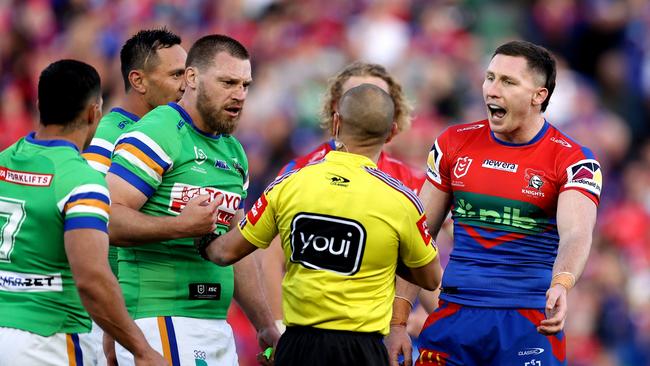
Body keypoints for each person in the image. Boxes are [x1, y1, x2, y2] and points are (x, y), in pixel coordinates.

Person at [389, 40, 602, 366]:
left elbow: (576, 233)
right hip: (455, 318)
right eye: (490, 77)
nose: (492, 89)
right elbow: (420, 235)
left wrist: (562, 283)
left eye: (508, 81)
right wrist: (398, 321)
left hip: (528, 321)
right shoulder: (453, 143)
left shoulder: (572, 159)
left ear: (538, 96)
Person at [197, 83, 443, 366]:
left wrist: (194, 230)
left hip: (298, 346)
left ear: (336, 122)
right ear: (390, 133)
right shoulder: (402, 201)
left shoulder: (290, 184)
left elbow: (225, 253)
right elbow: (430, 278)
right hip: (364, 350)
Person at [104, 34, 280, 365]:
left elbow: (235, 247)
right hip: (159, 318)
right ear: (193, 78)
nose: (239, 95)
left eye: (245, 85)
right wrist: (180, 226)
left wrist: (265, 324)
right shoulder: (158, 132)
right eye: (228, 82)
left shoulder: (234, 151)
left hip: (215, 323)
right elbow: (108, 217)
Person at [0, 59, 166, 365]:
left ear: (39, 105)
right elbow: (91, 279)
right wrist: (141, 349)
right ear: (94, 112)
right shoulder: (82, 180)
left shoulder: (4, 160)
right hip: (49, 339)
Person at [260, 61, 426, 332]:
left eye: (378, 98)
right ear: (336, 110)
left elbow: (429, 266)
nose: (366, 104)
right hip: (310, 332)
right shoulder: (298, 173)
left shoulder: (412, 182)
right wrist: (278, 328)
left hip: (380, 337)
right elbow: (270, 257)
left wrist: (425, 322)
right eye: (356, 96)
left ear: (392, 117)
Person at [81, 27, 186, 364]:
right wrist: (113, 322)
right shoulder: (113, 137)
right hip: (112, 317)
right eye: (175, 75)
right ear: (139, 81)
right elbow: (94, 228)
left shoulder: (166, 132)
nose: (186, 84)